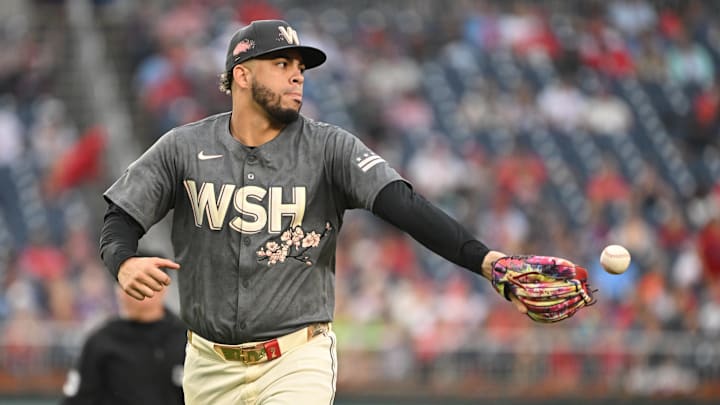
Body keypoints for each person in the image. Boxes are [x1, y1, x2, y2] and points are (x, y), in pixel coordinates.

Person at [99, 19, 529, 404]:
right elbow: (121, 217)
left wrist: (487, 261)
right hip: (209, 365)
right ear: (242, 75)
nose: (297, 77)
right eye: (282, 64)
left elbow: (405, 205)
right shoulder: (184, 146)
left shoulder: (328, 147)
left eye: (301, 69)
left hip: (295, 358)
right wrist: (123, 262)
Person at [61, 284, 186, 404]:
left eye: (148, 280)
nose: (140, 289)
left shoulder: (187, 339)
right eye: (132, 282)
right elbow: (77, 399)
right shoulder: (101, 341)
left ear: (164, 287)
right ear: (118, 290)